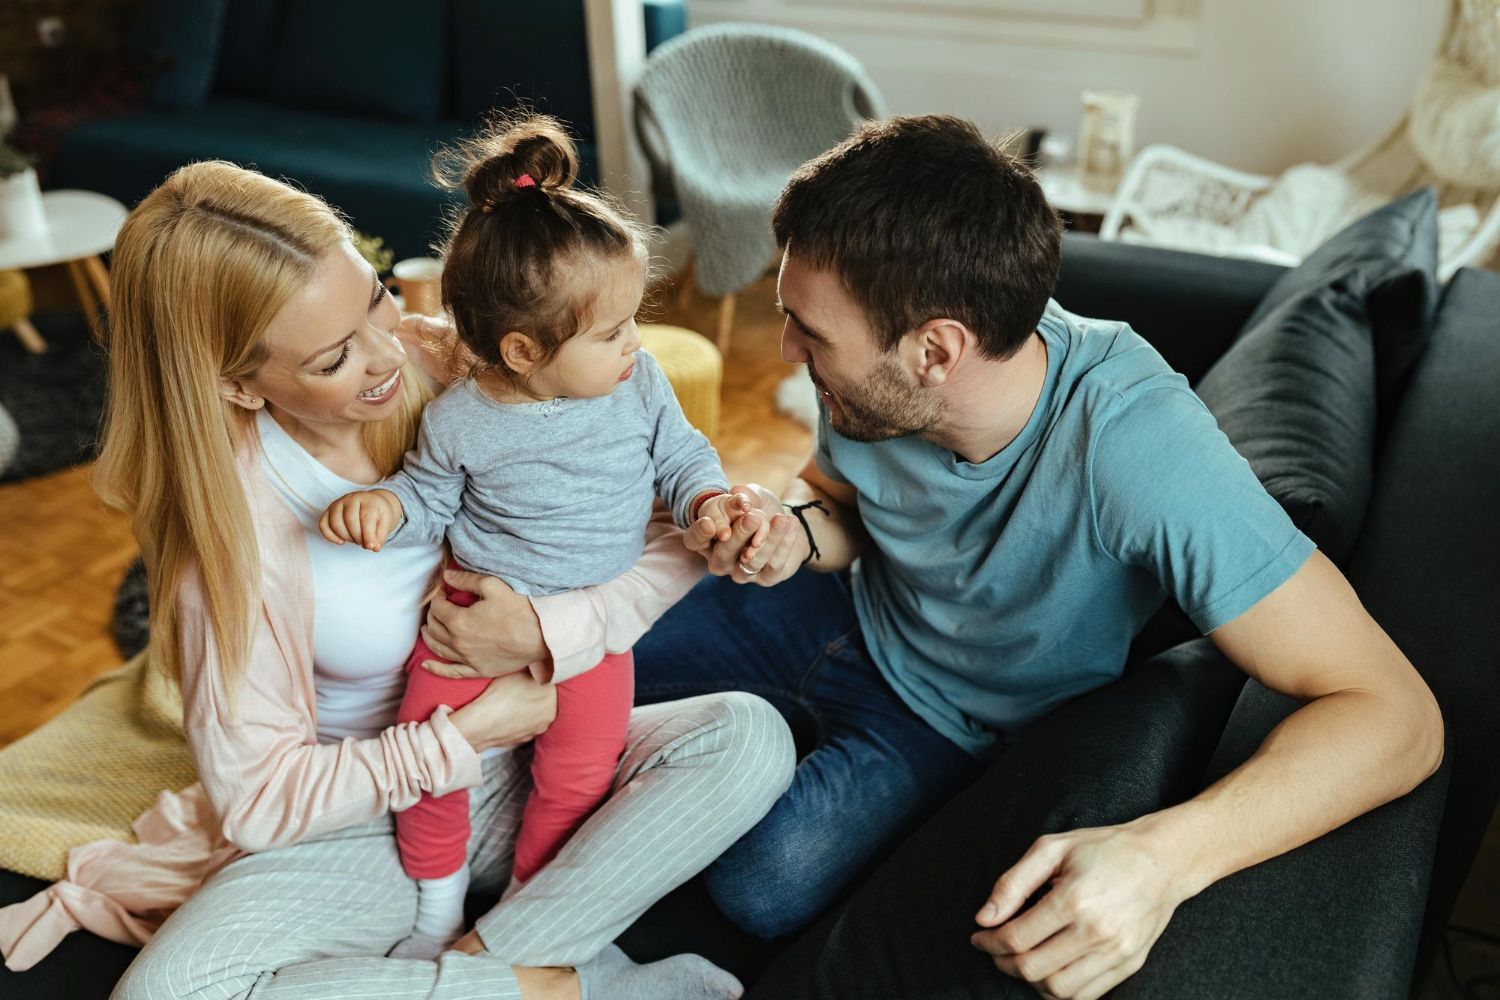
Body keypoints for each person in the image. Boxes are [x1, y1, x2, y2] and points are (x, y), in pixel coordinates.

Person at [435, 114, 1445, 998]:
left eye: (808, 331)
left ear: (935, 350)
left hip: (946, 720)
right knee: (537, 676)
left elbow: (1396, 716)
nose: (785, 352)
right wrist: (794, 533)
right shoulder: (879, 385)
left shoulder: (1141, 444)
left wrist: (1165, 857)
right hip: (835, 608)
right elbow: (845, 508)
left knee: (768, 879)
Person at [0, 159, 794, 1000]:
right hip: (382, 802)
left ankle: (492, 959)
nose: (389, 352)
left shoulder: (459, 366)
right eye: (335, 356)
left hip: (549, 739)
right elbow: (259, 804)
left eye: (375, 297)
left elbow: (655, 522)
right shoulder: (235, 544)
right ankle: (560, 985)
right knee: (167, 995)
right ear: (237, 384)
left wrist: (553, 629)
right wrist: (463, 737)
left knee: (748, 737)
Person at [319, 114, 756, 958]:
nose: (636, 344)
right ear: (522, 350)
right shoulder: (459, 423)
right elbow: (426, 496)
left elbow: (682, 453)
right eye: (611, 333)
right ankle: (436, 906)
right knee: (430, 757)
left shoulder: (640, 383)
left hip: (589, 635)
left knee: (578, 779)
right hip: (466, 623)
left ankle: (523, 907)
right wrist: (384, 509)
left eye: (633, 321)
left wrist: (704, 497)